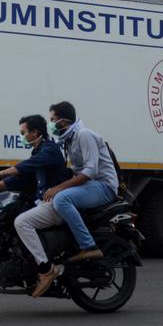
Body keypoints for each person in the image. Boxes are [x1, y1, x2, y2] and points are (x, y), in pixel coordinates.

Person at [0, 114, 72, 297]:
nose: (21, 136)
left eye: (23, 132)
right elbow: (20, 179)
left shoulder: (49, 150)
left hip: (55, 204)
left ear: (35, 132)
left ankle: (46, 269)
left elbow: (25, 167)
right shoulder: (38, 151)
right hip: (44, 203)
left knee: (21, 222)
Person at [43, 101, 118, 262]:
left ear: (63, 121)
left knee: (62, 199)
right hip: (90, 186)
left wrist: (59, 188)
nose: (50, 124)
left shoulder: (84, 135)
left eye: (52, 119)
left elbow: (91, 171)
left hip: (104, 187)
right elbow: (77, 171)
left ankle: (89, 246)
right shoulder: (69, 139)